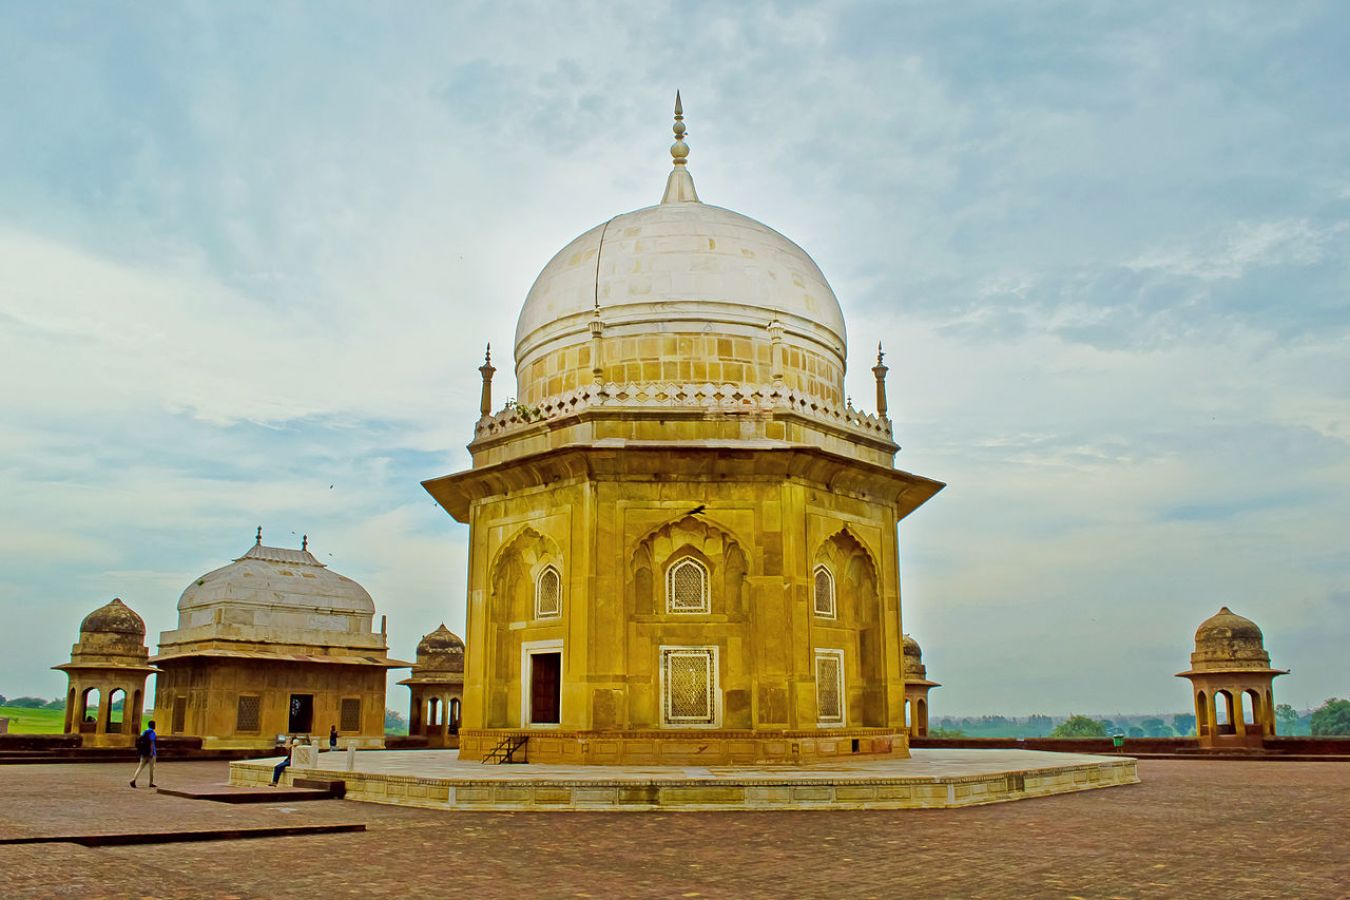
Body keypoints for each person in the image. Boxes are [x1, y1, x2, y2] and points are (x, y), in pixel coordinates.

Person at [129, 719, 157, 788]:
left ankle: (133, 779)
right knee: (151, 769)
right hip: (151, 753)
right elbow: (151, 743)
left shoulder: (144, 732)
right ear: (153, 726)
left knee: (140, 767)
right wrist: (151, 752)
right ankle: (151, 783)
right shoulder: (152, 733)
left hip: (144, 752)